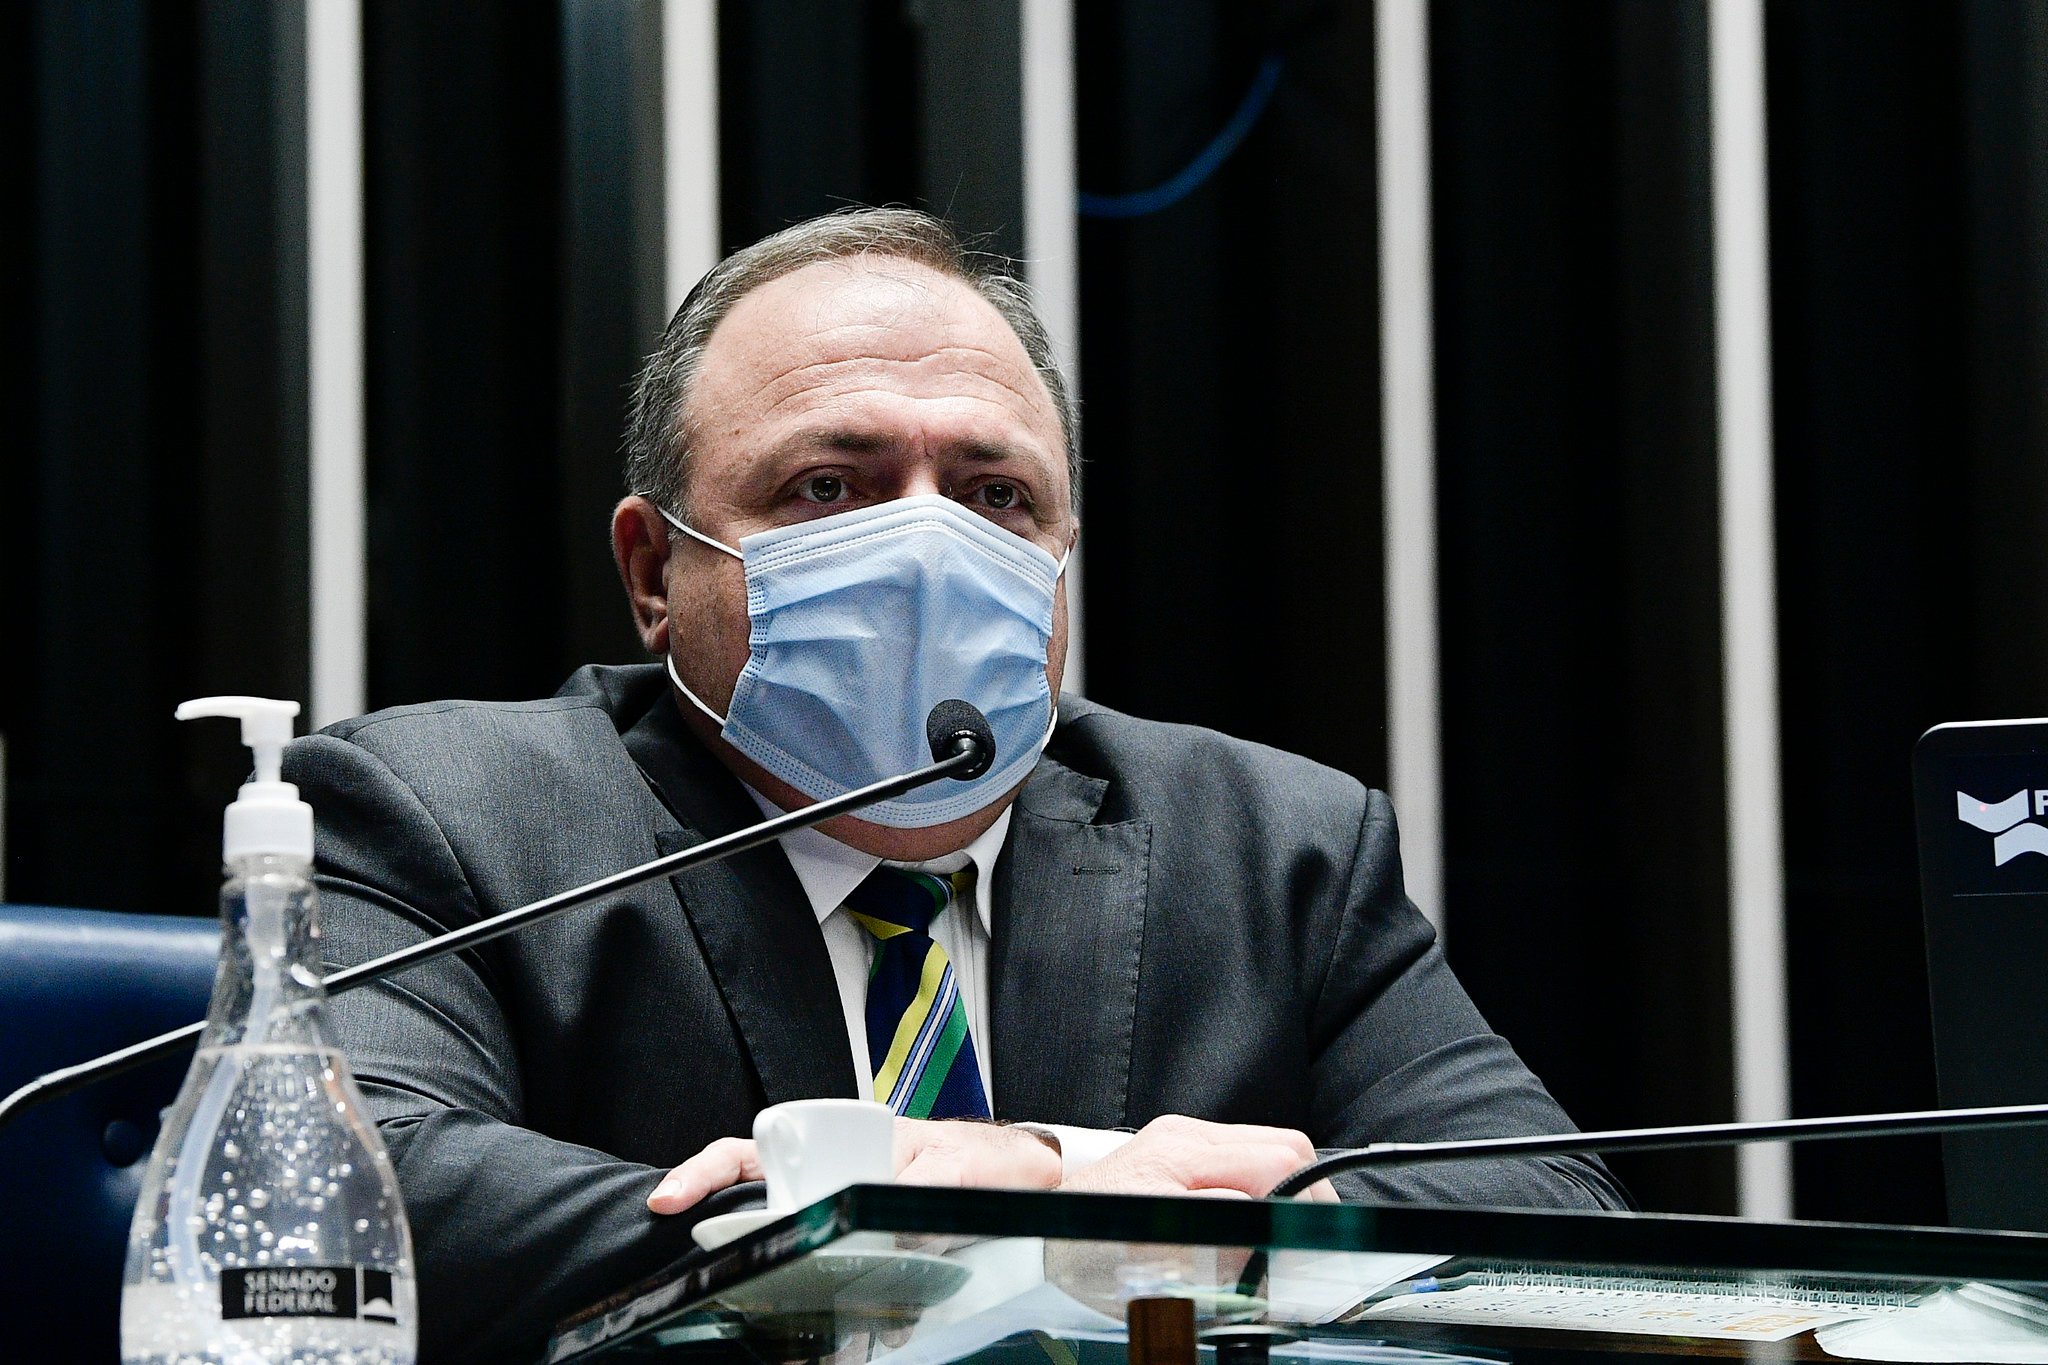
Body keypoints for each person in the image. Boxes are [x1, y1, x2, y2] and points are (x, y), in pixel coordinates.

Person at [286, 208, 1628, 1363]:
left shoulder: (1279, 850)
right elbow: (344, 1180)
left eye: (996, 495)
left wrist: (1062, 1180)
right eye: (828, 485)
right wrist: (861, 1212)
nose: (927, 544)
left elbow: (1554, 1217)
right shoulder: (448, 811)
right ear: (654, 570)